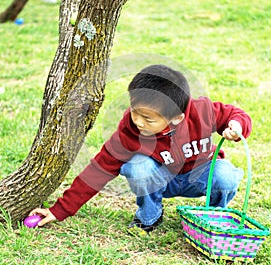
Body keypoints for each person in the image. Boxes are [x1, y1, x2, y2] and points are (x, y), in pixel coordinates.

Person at [29, 65, 252, 233]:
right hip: (159, 179)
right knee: (138, 167)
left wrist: (236, 126)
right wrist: (59, 210)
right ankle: (149, 217)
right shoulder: (130, 130)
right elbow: (99, 170)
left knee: (226, 175)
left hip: (199, 176)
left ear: (176, 118)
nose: (138, 121)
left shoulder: (202, 111)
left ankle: (214, 220)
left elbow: (236, 115)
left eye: (147, 118)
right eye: (134, 111)